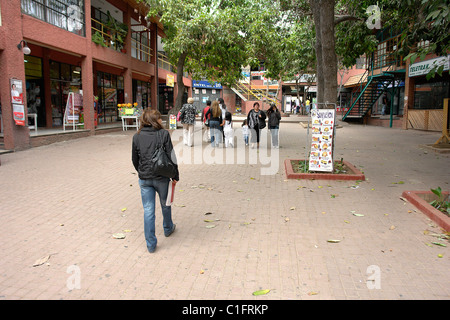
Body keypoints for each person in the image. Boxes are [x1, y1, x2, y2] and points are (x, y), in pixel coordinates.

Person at [132, 109, 179, 253]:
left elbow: (135, 159)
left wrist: (141, 171)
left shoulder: (137, 136)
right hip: (162, 177)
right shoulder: (163, 134)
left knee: (148, 210)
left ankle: (151, 244)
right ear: (154, 120)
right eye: (159, 118)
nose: (161, 121)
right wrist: (175, 176)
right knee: (165, 204)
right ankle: (168, 228)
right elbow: (172, 157)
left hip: (145, 178)